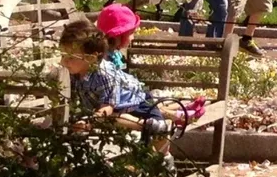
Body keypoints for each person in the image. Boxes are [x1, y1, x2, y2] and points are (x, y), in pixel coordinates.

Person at [59, 18, 203, 144]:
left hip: (131, 101)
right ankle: (181, 113)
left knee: (126, 120)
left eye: (69, 57)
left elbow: (107, 109)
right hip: (117, 101)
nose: (63, 62)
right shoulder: (75, 70)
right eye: (62, 55)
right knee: (153, 109)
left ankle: (147, 125)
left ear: (90, 59)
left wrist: (89, 121)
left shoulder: (104, 75)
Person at [96, 2, 140, 71]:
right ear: (119, 35)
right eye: (131, 33)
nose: (133, 38)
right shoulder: (106, 58)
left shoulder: (114, 53)